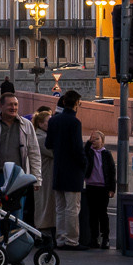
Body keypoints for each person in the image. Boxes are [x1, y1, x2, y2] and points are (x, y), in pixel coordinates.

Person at [0, 92, 42, 245]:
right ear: (1, 105)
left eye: (16, 104)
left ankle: (14, 251)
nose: (14, 108)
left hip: (18, 180)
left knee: (16, 217)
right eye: (10, 104)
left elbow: (34, 153)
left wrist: (36, 178)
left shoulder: (26, 125)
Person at [46, 90, 87, 249]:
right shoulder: (74, 122)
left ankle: (61, 239)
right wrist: (84, 163)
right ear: (76, 104)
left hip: (58, 169)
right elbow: (77, 148)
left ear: (63, 102)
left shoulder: (53, 121)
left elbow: (48, 144)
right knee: (72, 208)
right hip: (73, 171)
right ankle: (72, 240)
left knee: (60, 207)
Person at [80, 131, 114, 249]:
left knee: (102, 213)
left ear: (102, 141)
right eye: (92, 138)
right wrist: (88, 144)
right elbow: (83, 153)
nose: (94, 141)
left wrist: (111, 188)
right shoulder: (89, 152)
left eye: (97, 139)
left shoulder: (106, 154)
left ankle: (105, 237)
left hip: (103, 188)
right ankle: (94, 238)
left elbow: (111, 171)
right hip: (91, 186)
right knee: (92, 214)